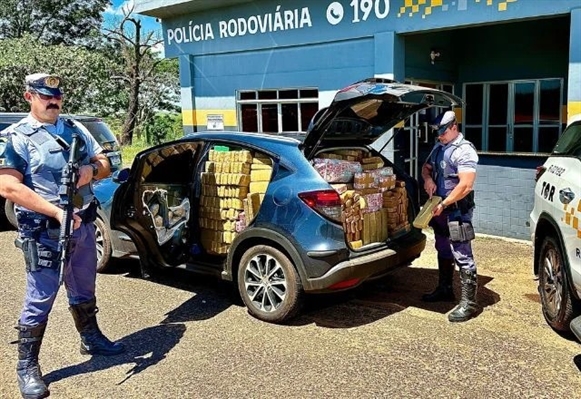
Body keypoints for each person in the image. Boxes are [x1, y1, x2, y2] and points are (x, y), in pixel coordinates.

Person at [0, 73, 125, 399]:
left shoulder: (74, 129)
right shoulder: (16, 138)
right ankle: (27, 366)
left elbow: (104, 162)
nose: (53, 101)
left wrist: (89, 171)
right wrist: (56, 211)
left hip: (83, 224)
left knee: (84, 286)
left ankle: (91, 338)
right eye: (45, 96)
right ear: (30, 97)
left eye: (57, 96)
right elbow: (8, 186)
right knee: (40, 297)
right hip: (45, 232)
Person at [420, 110, 479, 323]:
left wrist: (445, 203)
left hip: (456, 211)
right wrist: (428, 180)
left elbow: (466, 184)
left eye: (443, 131)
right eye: (438, 132)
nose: (439, 136)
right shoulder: (439, 148)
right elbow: (426, 169)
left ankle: (469, 303)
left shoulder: (464, 151)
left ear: (454, 126)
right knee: (443, 247)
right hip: (439, 209)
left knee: (462, 252)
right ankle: (444, 289)